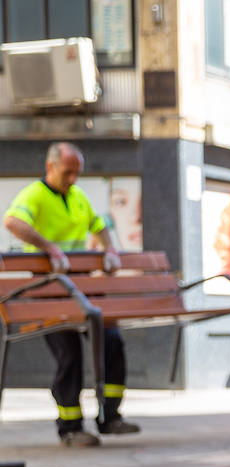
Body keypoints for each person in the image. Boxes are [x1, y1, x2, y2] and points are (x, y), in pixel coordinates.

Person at [3, 142, 140, 446]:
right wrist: (48, 247)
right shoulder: (34, 195)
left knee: (111, 340)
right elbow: (13, 221)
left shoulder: (78, 197)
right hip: (49, 290)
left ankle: (110, 417)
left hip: (82, 287)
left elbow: (99, 224)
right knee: (70, 353)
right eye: (68, 172)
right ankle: (70, 427)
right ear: (50, 167)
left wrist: (110, 249)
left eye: (77, 173)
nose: (73, 179)